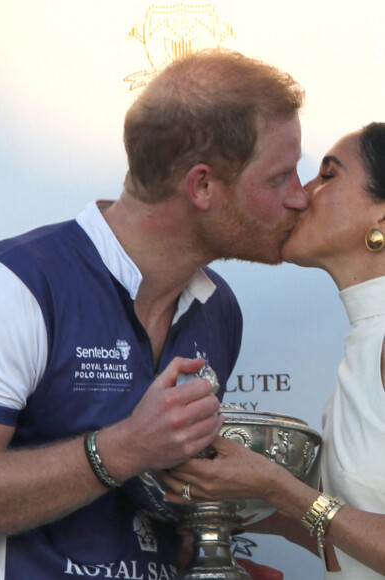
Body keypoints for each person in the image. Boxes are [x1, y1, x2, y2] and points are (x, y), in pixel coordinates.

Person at [0, 48, 309, 580]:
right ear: (203, 186)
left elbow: (142, 511)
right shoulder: (16, 284)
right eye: (280, 177)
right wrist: (123, 447)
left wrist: (203, 556)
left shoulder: (217, 308)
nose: (300, 198)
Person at [162, 122, 385, 578]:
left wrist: (283, 490)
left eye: (328, 176)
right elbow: (353, 540)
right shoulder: (365, 347)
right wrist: (226, 507)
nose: (301, 195)